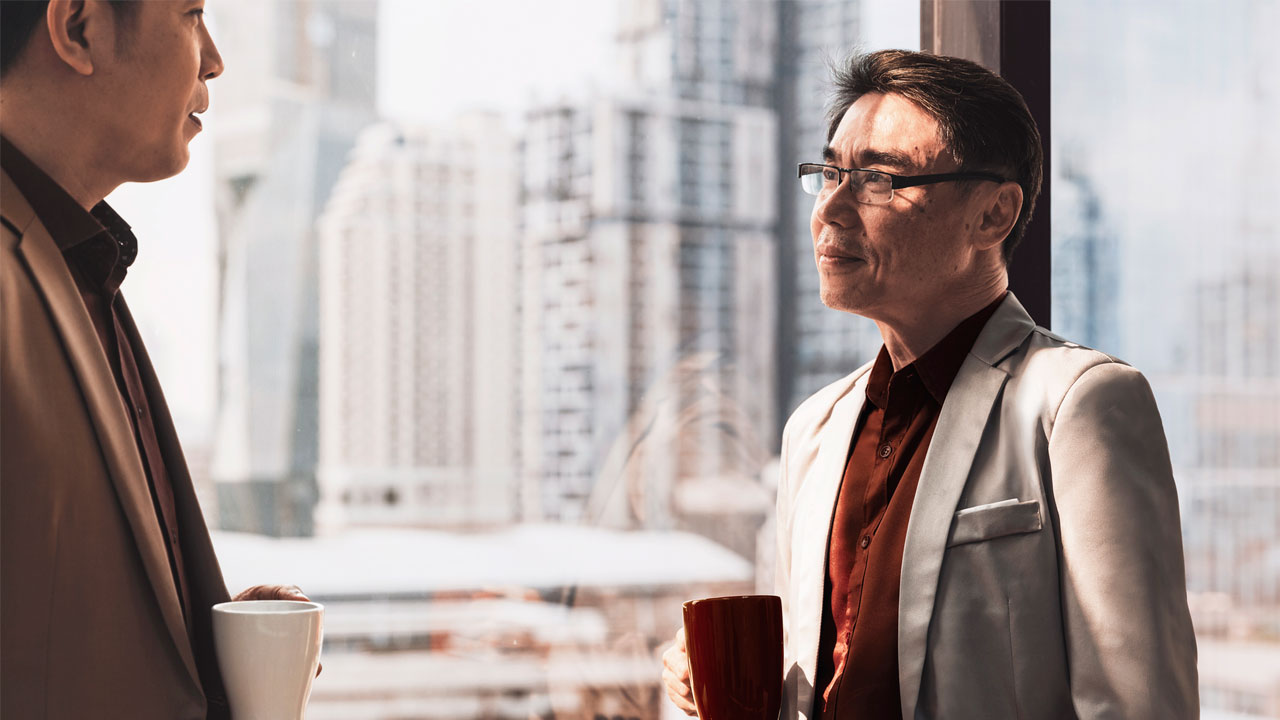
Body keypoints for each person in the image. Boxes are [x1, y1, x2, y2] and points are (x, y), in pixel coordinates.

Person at [663, 49, 1197, 719]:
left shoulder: (1077, 402)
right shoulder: (814, 428)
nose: (830, 208)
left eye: (879, 178)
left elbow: (1139, 704)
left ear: (994, 215)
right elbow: (827, 681)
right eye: (829, 172)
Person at [1, 2, 310, 718]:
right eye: (191, 14)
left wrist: (189, 648)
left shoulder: (78, 263)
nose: (213, 59)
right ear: (78, 28)